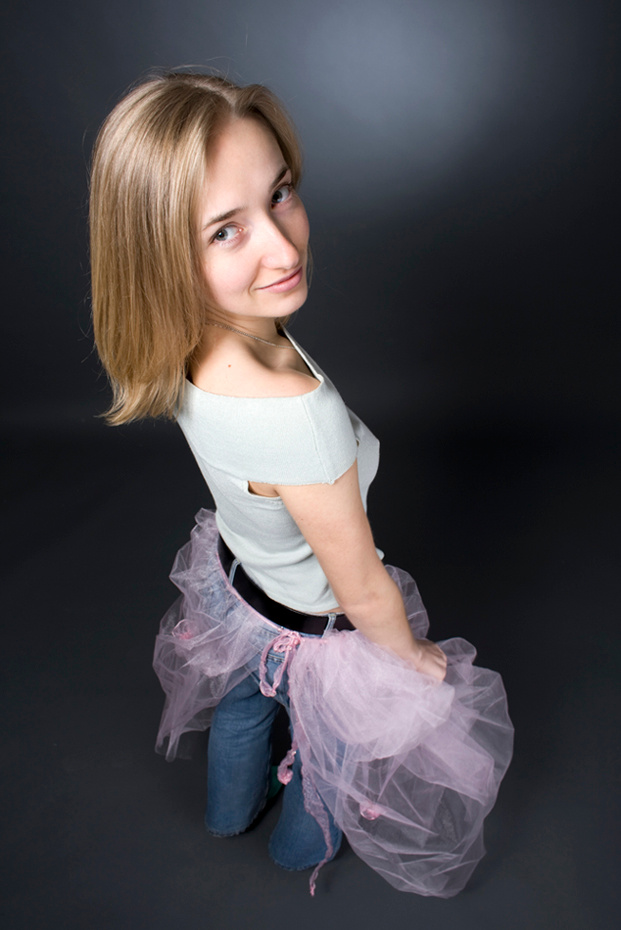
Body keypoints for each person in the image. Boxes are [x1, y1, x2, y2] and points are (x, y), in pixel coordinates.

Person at [90, 71, 513, 896]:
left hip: (241, 588)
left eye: (279, 193)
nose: (283, 250)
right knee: (331, 755)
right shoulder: (299, 416)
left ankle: (225, 814)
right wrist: (412, 659)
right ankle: (294, 853)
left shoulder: (186, 344)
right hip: (318, 629)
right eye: (225, 231)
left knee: (245, 705)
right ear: (160, 257)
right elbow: (359, 586)